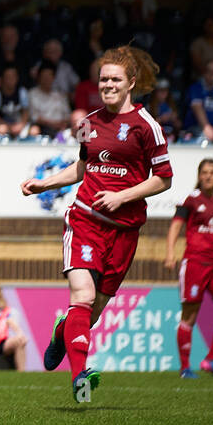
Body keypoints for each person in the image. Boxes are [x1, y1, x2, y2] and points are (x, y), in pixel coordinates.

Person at [21, 46, 174, 404]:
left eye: (114, 79)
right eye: (103, 79)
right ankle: (80, 379)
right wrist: (45, 183)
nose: (107, 84)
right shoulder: (88, 122)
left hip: (124, 230)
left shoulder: (146, 126)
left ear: (130, 83)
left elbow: (164, 179)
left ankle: (62, 332)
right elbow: (81, 168)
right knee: (83, 297)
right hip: (85, 220)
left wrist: (123, 197)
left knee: (92, 311)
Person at [164, 158, 213, 380]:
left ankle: (212, 358)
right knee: (189, 316)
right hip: (195, 263)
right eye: (204, 172)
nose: (208, 176)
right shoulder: (190, 200)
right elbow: (176, 226)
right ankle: (185, 368)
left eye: (212, 172)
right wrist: (170, 253)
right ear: (199, 176)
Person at [27, 65, 71, 137]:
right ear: (39, 77)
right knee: (34, 130)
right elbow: (34, 117)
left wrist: (62, 124)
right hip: (41, 128)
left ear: (53, 78)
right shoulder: (32, 94)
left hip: (60, 128)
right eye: (44, 76)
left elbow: (67, 116)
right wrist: (52, 124)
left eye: (49, 76)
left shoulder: (60, 95)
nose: (46, 79)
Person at [0, 65, 31, 137]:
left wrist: (21, 124)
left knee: (34, 130)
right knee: (1, 129)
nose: (11, 79)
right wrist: (9, 127)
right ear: (2, 79)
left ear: (17, 78)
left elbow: (25, 112)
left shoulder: (22, 92)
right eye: (8, 77)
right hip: (3, 125)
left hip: (19, 125)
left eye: (13, 76)